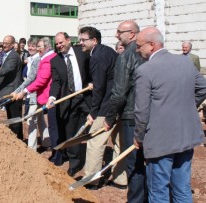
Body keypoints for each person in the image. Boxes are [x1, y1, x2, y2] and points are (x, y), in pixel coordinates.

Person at [134, 26, 206, 203]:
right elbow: (203, 87)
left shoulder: (145, 70)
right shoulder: (185, 62)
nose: (136, 50)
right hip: (185, 135)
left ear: (151, 45)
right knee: (182, 189)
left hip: (160, 140)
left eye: (138, 45)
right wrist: (188, 105)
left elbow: (141, 111)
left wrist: (138, 136)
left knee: (159, 191)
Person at [103, 20, 147, 201]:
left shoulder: (126, 56)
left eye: (119, 32)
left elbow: (119, 92)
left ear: (132, 34)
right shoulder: (148, 54)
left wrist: (109, 117)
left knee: (134, 163)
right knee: (149, 162)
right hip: (149, 115)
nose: (116, 35)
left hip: (131, 117)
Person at [78, 26, 118, 187]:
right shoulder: (108, 51)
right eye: (79, 39)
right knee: (118, 143)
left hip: (106, 106)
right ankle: (120, 179)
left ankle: (92, 180)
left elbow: (100, 88)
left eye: (83, 40)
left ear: (94, 40)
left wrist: (93, 112)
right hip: (118, 103)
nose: (80, 42)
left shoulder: (98, 56)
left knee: (95, 142)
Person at [46, 32, 92, 175]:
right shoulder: (55, 61)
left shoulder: (82, 51)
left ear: (68, 40)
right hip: (69, 100)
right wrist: (52, 97)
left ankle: (90, 162)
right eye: (57, 44)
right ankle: (74, 163)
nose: (59, 45)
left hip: (86, 97)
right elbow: (56, 82)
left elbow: (91, 68)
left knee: (88, 131)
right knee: (71, 133)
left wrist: (93, 81)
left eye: (61, 42)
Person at [14, 37, 57, 155]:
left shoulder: (39, 59)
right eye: (31, 46)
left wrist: (19, 91)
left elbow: (32, 79)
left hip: (34, 93)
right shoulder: (32, 59)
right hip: (32, 93)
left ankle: (31, 150)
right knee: (40, 119)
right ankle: (47, 142)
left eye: (36, 46)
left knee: (31, 120)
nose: (33, 48)